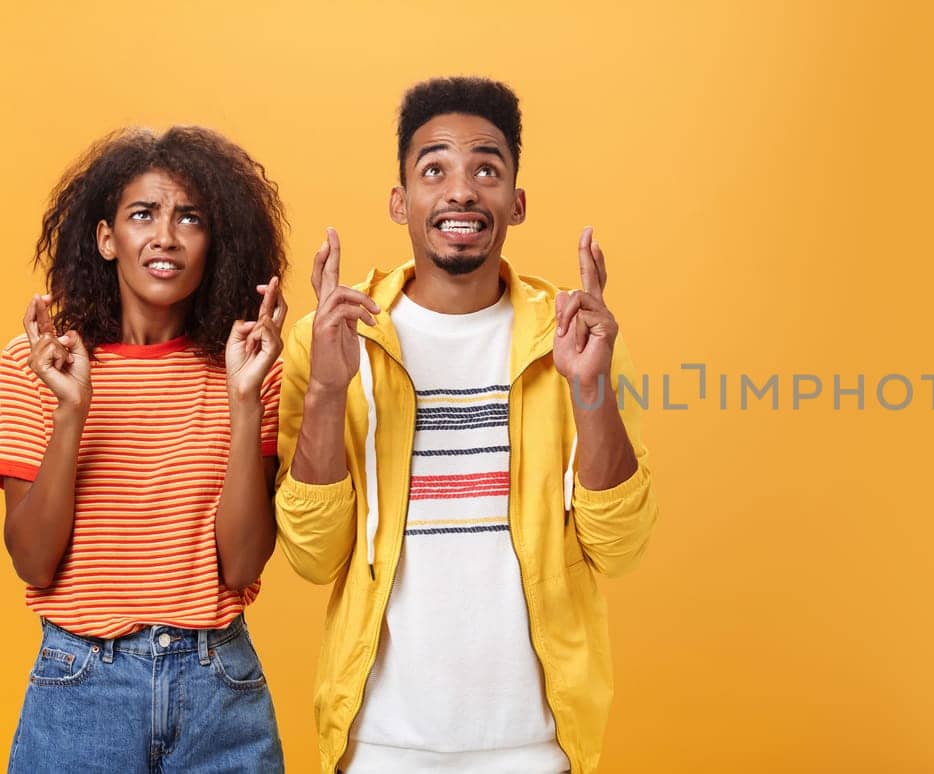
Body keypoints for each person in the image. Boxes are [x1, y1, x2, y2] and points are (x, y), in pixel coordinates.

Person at [274, 77, 659, 774]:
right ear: (401, 203)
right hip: (381, 747)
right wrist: (329, 392)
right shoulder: (331, 339)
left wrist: (591, 388)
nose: (461, 190)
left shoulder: (571, 337)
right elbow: (313, 556)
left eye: (487, 168)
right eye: (434, 170)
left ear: (515, 201)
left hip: (537, 747)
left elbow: (621, 548)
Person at [0, 126, 289, 772]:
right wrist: (72, 411)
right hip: (82, 686)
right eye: (143, 214)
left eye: (190, 218)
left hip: (220, 687)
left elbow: (242, 566)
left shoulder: (251, 369)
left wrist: (244, 403)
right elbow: (32, 562)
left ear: (214, 243)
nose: (166, 236)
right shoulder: (34, 366)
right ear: (107, 238)